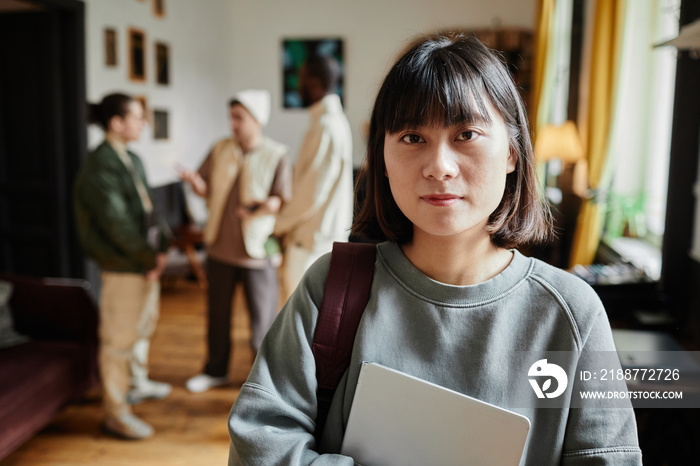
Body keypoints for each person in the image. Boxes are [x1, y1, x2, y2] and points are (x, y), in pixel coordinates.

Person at [227, 34, 642, 465]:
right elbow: (259, 440)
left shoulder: (572, 313)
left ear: (513, 153)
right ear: (383, 160)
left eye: (466, 133)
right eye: (412, 137)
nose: (439, 167)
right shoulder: (334, 285)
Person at [179, 89, 291, 394]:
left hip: (256, 252)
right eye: (231, 117)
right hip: (218, 247)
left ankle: (264, 384)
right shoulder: (220, 149)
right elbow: (206, 189)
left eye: (239, 117)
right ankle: (214, 371)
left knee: (263, 325)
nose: (234, 124)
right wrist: (195, 182)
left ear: (256, 120)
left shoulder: (276, 154)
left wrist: (262, 205)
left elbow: (281, 200)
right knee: (217, 318)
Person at [74, 93, 172, 440]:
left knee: (142, 326)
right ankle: (115, 413)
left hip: (145, 262)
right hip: (125, 265)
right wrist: (150, 259)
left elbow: (150, 209)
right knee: (117, 340)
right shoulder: (100, 165)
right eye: (136, 117)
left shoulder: (132, 157)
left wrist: (162, 249)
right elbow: (116, 224)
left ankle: (137, 383)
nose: (143, 122)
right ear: (116, 123)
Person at [273, 54, 354, 300]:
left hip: (312, 244)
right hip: (318, 240)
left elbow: (311, 193)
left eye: (301, 78)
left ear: (315, 84)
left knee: (301, 324)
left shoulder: (326, 126)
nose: (297, 85)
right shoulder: (330, 122)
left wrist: (276, 225)